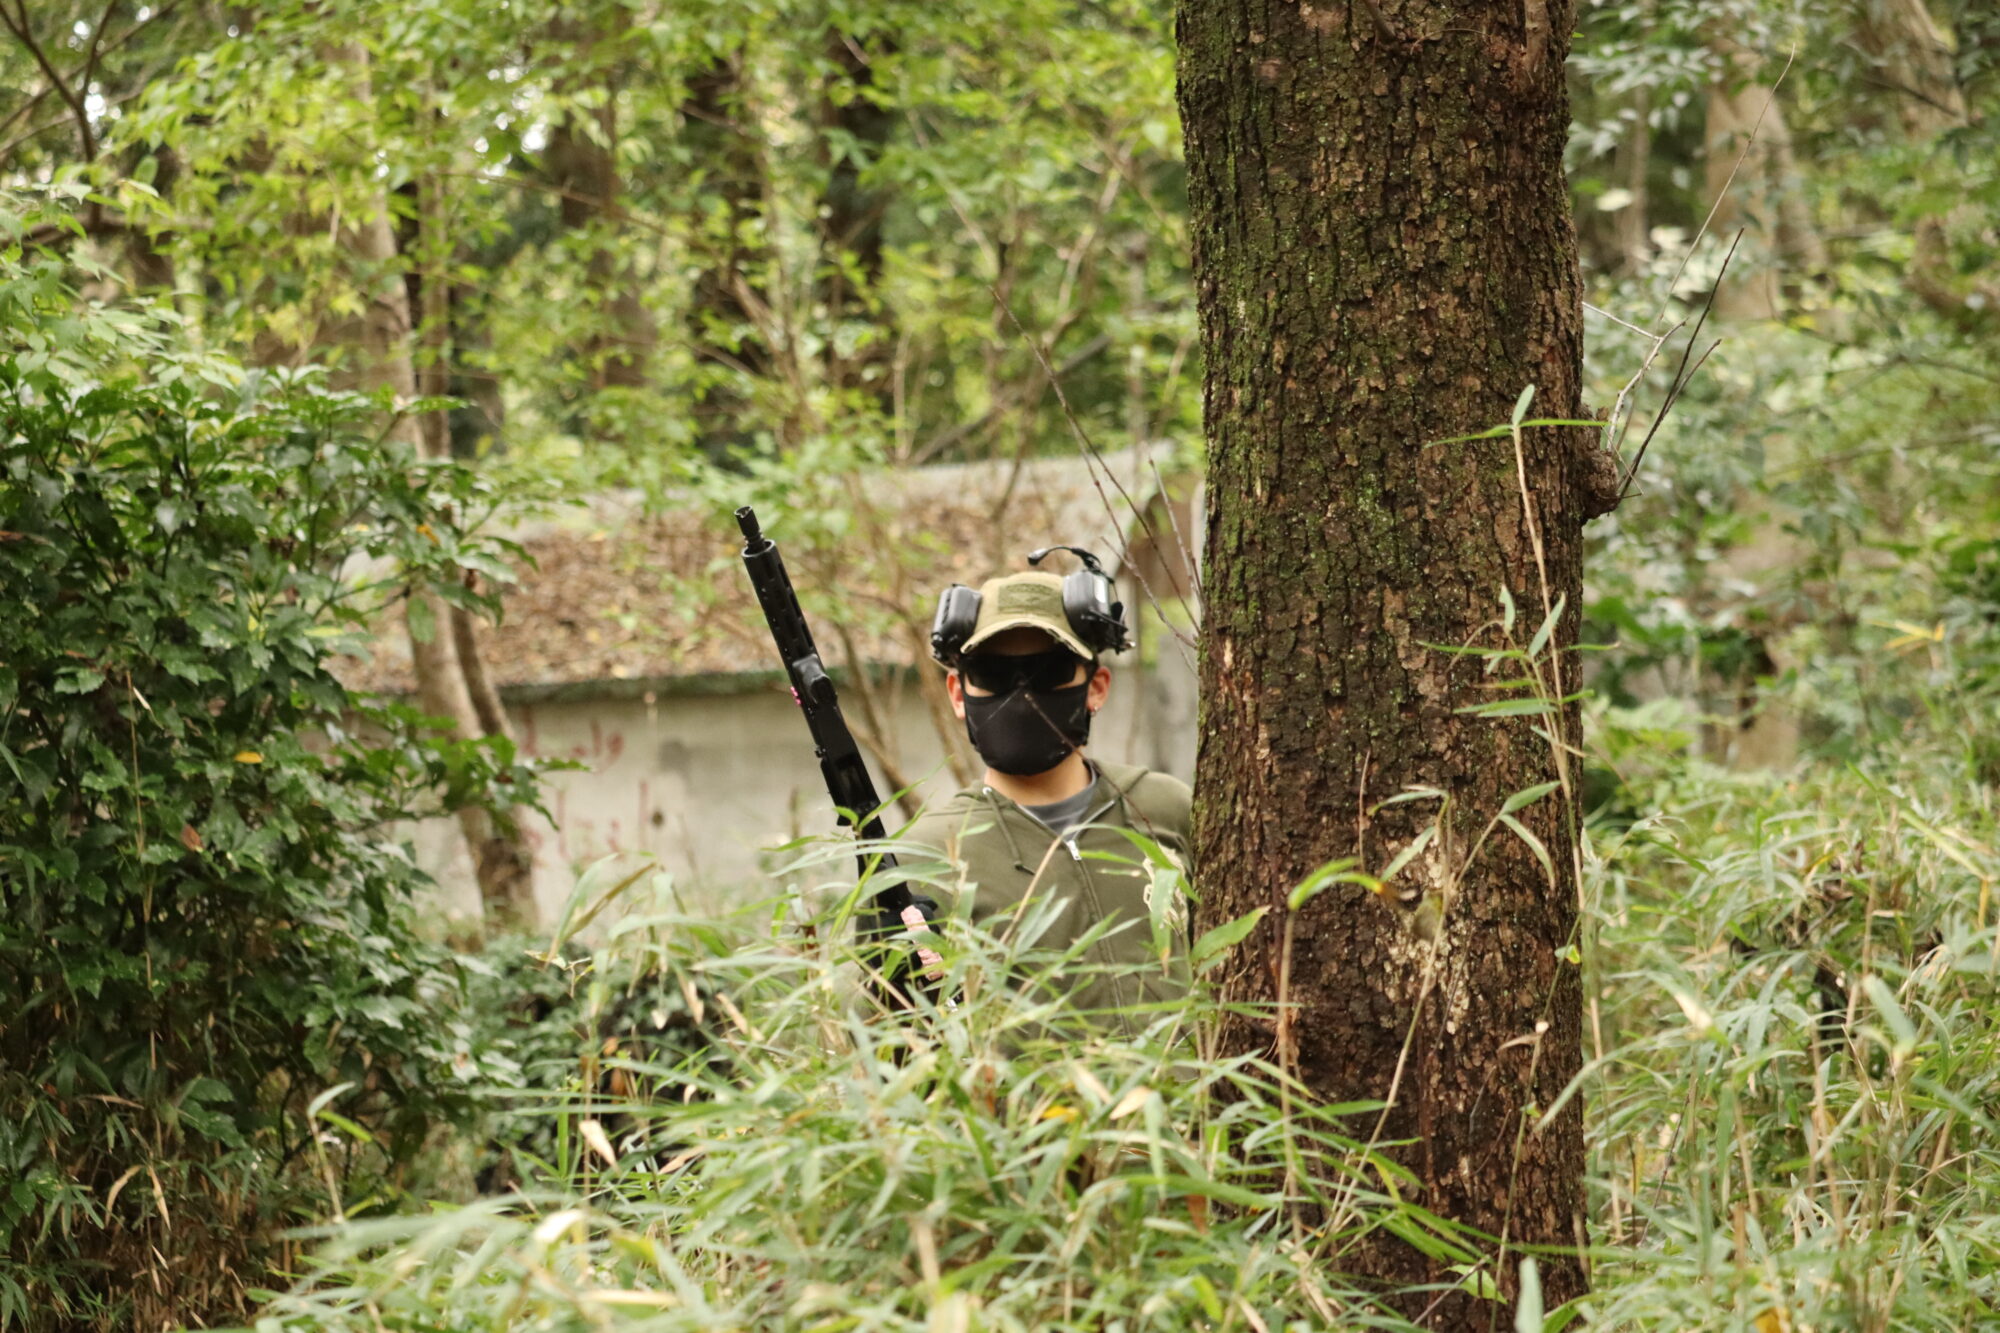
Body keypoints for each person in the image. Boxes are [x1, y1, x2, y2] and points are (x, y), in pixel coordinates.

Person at [892, 554, 1192, 1033]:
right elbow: (882, 1045)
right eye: (992, 674)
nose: (1022, 695)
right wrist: (884, 983)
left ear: (1096, 687)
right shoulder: (923, 858)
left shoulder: (1165, 810)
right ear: (957, 693)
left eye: (1049, 670)